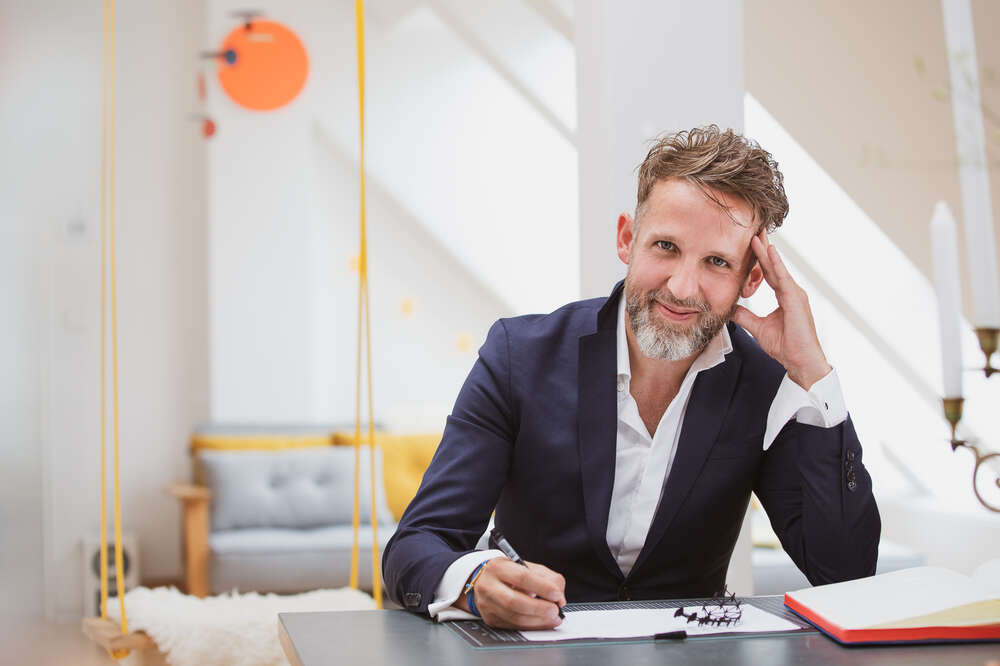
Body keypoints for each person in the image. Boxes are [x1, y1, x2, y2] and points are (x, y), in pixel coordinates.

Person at [382, 125, 881, 630]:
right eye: (666, 246)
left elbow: (845, 569)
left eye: (716, 262)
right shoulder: (519, 355)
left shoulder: (766, 380)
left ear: (751, 279)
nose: (683, 287)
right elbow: (415, 545)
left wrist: (812, 372)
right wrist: (472, 582)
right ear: (628, 238)